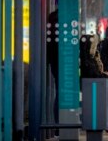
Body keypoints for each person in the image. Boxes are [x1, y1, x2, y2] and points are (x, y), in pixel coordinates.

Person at [46, 9, 59, 137]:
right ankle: (59, 126)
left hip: (54, 61)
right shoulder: (60, 18)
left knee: (59, 93)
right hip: (62, 61)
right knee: (61, 94)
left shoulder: (52, 18)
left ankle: (58, 127)